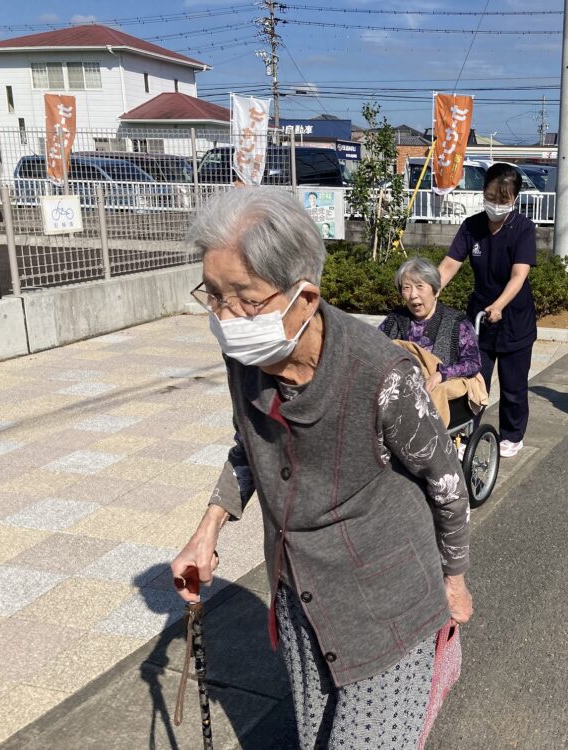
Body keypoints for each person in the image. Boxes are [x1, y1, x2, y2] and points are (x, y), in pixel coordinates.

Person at [170, 187, 473, 749]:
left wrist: (453, 580)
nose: (226, 316)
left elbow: (447, 484)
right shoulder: (247, 359)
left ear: (304, 298)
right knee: (314, 736)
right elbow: (249, 447)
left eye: (245, 298)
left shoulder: (383, 374)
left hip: (388, 607)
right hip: (301, 596)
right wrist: (207, 529)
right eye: (213, 296)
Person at [438, 163, 537, 458]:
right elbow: (448, 265)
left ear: (514, 200)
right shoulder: (472, 226)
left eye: (503, 199)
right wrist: (429, 291)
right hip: (479, 319)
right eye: (491, 195)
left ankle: (512, 434)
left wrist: (500, 304)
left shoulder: (523, 229)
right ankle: (467, 433)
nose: (495, 203)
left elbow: (519, 275)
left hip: (514, 317)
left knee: (513, 385)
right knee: (473, 379)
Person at [379, 257, 487, 427]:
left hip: (440, 392)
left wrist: (442, 373)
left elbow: (473, 363)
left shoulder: (456, 322)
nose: (413, 295)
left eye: (420, 286)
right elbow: (374, 349)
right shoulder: (395, 320)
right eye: (406, 288)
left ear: (436, 291)